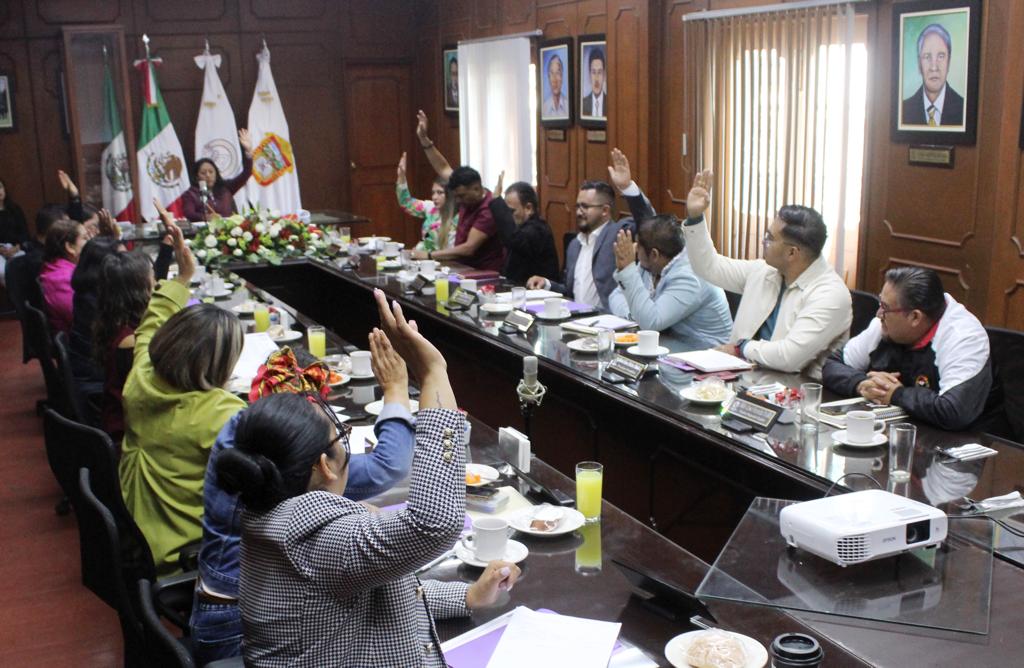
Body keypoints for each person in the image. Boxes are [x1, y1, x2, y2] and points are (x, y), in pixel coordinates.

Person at [219, 290, 520, 666]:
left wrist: (468, 596)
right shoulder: (318, 540)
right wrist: (433, 373)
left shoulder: (270, 513)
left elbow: (385, 587)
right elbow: (436, 522)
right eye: (341, 436)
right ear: (323, 465)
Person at [189, 343, 419, 665]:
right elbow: (391, 466)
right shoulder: (296, 467)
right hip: (235, 626)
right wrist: (396, 390)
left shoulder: (241, 436)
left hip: (217, 603)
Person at [119, 199, 246, 574]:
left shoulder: (141, 378)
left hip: (142, 533)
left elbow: (149, 326)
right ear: (219, 366)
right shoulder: (219, 413)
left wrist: (182, 277)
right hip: (191, 552)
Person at [681, 169, 851, 378]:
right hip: (739, 380)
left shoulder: (830, 295)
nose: (763, 241)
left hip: (791, 396)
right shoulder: (765, 271)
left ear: (792, 252)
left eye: (770, 238)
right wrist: (696, 218)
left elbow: (789, 357)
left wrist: (741, 348)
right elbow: (708, 267)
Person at [822, 267, 993, 430]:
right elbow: (832, 365)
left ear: (914, 317)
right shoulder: (883, 325)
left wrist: (897, 394)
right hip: (900, 429)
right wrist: (861, 383)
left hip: (960, 444)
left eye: (885, 308)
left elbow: (954, 411)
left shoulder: (963, 337)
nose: (878, 314)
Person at [605, 148, 731, 348]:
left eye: (639, 249)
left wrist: (627, 272)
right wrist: (634, 313)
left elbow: (650, 323)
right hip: (668, 348)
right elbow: (616, 295)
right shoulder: (655, 263)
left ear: (654, 254)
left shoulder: (690, 275)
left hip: (705, 358)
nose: (635, 250)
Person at [412, 112, 506, 272]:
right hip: (462, 268)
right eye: (456, 196)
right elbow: (442, 167)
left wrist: (429, 255)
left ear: (476, 188)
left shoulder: (488, 210)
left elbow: (468, 248)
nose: (459, 201)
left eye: (462, 196)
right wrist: (424, 139)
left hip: (483, 273)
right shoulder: (462, 187)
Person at [527, 180, 635, 310]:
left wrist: (628, 187)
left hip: (609, 322)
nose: (579, 212)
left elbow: (645, 220)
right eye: (577, 206)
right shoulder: (574, 244)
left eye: (585, 207)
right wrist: (547, 284)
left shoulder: (618, 234)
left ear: (605, 210)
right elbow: (569, 291)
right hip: (577, 320)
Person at [92, 249, 159, 444]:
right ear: (139, 290)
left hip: (124, 416)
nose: (157, 284)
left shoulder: (114, 319)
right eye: (153, 279)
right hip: (130, 431)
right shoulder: (129, 341)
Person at [489, 180, 559, 284]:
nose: (508, 216)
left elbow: (513, 239)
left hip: (539, 294)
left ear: (528, 208)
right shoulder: (521, 228)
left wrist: (496, 202)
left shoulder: (538, 230)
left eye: (511, 211)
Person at [182, 128, 254, 222]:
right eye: (203, 173)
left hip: (229, 231)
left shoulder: (226, 187)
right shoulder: (191, 193)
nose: (208, 175)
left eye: (211, 172)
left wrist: (248, 151)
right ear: (197, 176)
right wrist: (205, 217)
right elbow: (189, 213)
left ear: (216, 173)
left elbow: (246, 173)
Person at [901, 23, 964, 127]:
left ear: (949, 61)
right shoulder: (904, 110)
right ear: (919, 64)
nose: (934, 67)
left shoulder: (963, 108)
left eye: (941, 56)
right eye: (927, 57)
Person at [395, 151, 457, 252]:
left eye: (439, 193)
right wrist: (401, 176)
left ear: (450, 195)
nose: (434, 197)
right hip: (423, 258)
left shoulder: (457, 216)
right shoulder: (430, 207)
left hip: (445, 260)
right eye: (433, 193)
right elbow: (406, 203)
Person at [39, 219, 87, 335]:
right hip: (79, 342)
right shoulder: (62, 279)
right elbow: (83, 319)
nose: (90, 242)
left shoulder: (56, 266)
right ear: (70, 247)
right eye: (85, 238)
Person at [0, 177, 29, 286]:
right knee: (3, 272)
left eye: (0, 187)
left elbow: (25, 232)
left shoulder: (15, 209)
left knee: (22, 267)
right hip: (0, 249)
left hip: (16, 247)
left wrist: (16, 247)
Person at [582, 47, 607, 118]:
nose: (596, 78)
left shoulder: (610, 104)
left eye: (599, 72)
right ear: (589, 75)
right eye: (593, 72)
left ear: (604, 75)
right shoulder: (583, 105)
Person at [542, 53, 569, 119]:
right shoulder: (544, 108)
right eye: (552, 73)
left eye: (558, 73)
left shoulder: (568, 106)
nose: (555, 79)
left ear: (562, 77)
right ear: (548, 78)